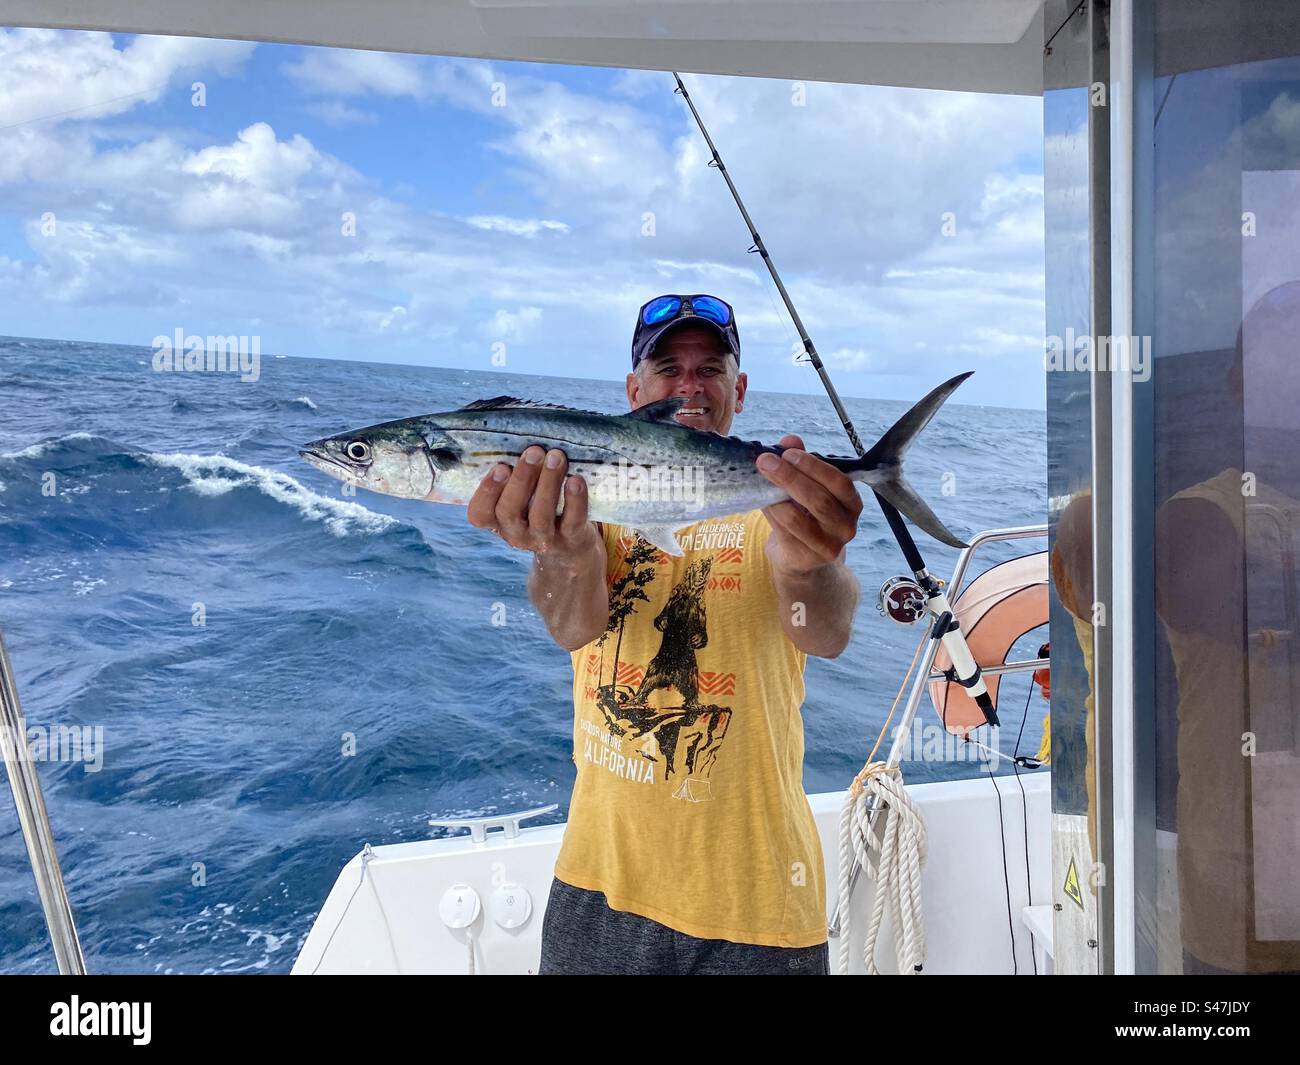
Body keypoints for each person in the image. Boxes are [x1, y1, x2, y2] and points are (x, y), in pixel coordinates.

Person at [466, 293, 862, 974]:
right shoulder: (589, 504)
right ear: (633, 391)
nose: (689, 385)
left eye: (710, 369)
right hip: (601, 881)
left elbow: (827, 630)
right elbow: (573, 625)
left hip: (761, 899)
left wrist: (808, 566)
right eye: (666, 368)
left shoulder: (777, 506)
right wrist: (562, 552)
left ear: (739, 389)